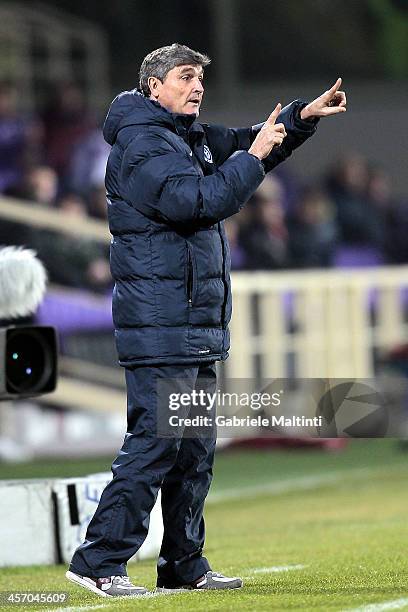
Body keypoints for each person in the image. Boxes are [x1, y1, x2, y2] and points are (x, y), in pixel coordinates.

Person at [66, 43, 346, 597]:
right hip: (160, 323)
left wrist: (299, 119)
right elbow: (201, 199)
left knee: (192, 449)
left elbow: (245, 143)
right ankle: (98, 561)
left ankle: (182, 565)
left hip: (192, 322)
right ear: (154, 86)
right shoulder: (144, 143)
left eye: (200, 78)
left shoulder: (183, 136)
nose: (197, 87)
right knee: (156, 443)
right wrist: (256, 154)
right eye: (185, 77)